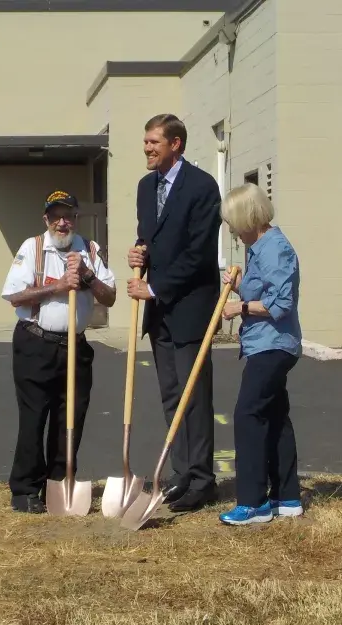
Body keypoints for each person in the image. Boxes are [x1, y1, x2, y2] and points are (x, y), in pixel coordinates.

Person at [126, 113, 223, 513]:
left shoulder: (202, 187)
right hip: (159, 313)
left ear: (175, 144)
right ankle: (182, 473)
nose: (147, 148)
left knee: (193, 397)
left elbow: (199, 253)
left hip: (190, 308)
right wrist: (139, 253)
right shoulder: (146, 187)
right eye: (146, 142)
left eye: (154, 142)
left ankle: (202, 480)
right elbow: (150, 237)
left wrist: (155, 287)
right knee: (171, 395)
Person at [1, 190, 117, 513]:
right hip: (35, 343)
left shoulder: (89, 250)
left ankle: (59, 484)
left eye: (68, 216)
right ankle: (25, 489)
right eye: (56, 216)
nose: (62, 223)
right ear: (46, 219)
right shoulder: (33, 248)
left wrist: (87, 276)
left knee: (71, 418)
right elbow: (14, 296)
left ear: (76, 219)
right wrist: (58, 286)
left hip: (75, 347)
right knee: (34, 417)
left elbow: (109, 297)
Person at [216, 182, 302, 526]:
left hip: (274, 345)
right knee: (275, 416)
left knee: (247, 414)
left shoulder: (275, 248)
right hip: (261, 344)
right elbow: (263, 290)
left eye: (232, 222)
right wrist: (240, 286)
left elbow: (281, 303)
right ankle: (287, 497)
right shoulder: (257, 248)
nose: (232, 231)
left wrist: (240, 307)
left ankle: (254, 503)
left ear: (247, 217)